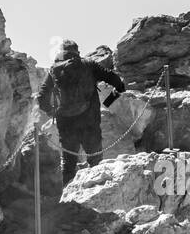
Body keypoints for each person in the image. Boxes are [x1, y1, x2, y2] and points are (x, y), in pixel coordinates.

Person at [37, 40, 126, 186]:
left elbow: (41, 97)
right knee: (95, 159)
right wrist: (110, 100)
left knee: (68, 162)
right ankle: (99, 194)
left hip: (65, 122)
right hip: (89, 119)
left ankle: (67, 200)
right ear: (77, 52)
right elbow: (115, 80)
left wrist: (53, 111)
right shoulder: (88, 64)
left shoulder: (54, 70)